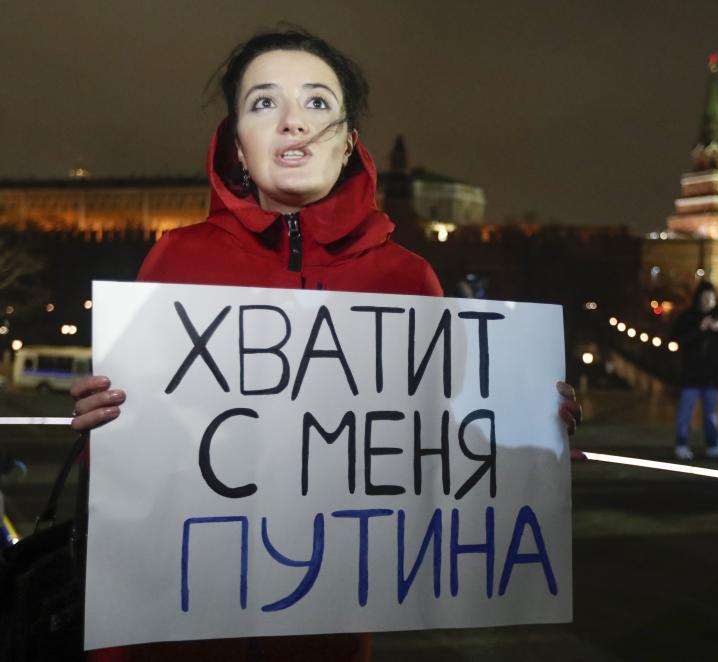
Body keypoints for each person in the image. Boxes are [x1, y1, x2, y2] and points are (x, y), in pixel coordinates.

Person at [68, 29, 582, 662]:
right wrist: (102, 427)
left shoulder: (409, 281)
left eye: (317, 103)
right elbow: (128, 477)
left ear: (348, 142)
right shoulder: (173, 261)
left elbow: (443, 457)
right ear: (236, 143)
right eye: (264, 103)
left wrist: (531, 434)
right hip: (172, 637)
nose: (293, 123)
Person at [670, 280, 718, 460]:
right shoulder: (687, 317)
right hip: (691, 374)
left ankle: (713, 445)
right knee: (685, 413)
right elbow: (678, 338)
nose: (708, 301)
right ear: (698, 298)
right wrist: (700, 329)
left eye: (711, 298)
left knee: (711, 415)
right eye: (705, 297)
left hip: (712, 376)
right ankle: (682, 445)